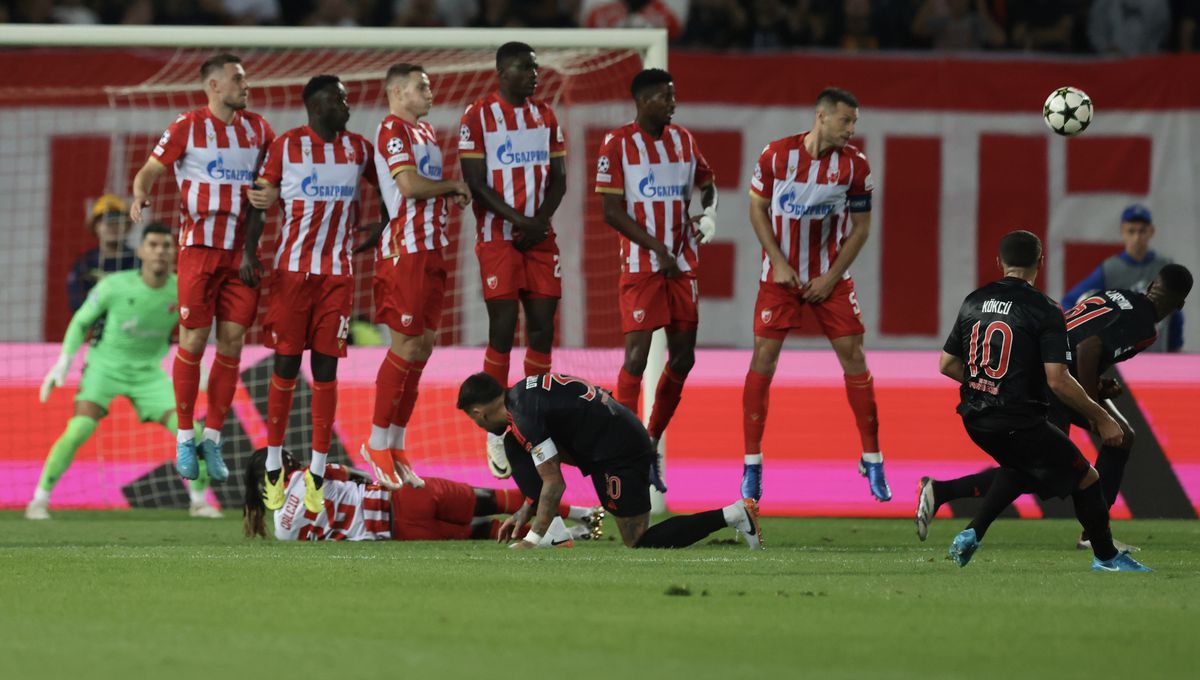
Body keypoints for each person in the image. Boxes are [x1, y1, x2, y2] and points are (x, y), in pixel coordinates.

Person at [916, 264, 1192, 549]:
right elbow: (1089, 349)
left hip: (1044, 368)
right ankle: (1093, 535)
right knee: (1052, 466)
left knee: (1055, 465)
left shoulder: (1119, 295)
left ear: (1150, 286)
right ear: (1180, 304)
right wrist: (1092, 405)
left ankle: (944, 492)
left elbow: (1081, 337)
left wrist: (1096, 385)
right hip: (1055, 380)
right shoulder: (1145, 326)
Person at [937, 230, 1151, 571]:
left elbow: (947, 364)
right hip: (1017, 419)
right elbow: (1058, 380)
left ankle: (971, 532)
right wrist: (1102, 417)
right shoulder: (1045, 309)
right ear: (1040, 261)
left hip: (975, 420)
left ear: (999, 262)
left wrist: (988, 384)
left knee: (1021, 470)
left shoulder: (973, 301)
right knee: (1087, 477)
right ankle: (1107, 558)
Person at [130, 53, 275, 484]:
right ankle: (183, 435)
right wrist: (139, 195)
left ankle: (212, 438)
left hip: (243, 254)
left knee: (232, 344)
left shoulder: (259, 130)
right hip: (199, 250)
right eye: (237, 79)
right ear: (213, 86)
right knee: (193, 340)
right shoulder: (186, 126)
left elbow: (270, 184)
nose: (245, 86)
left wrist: (271, 196)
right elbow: (149, 171)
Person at [741, 87, 889, 504]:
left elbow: (861, 228)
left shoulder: (855, 166)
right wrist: (779, 261)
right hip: (779, 279)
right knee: (763, 362)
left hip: (830, 280)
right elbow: (756, 209)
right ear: (821, 117)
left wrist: (830, 277)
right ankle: (752, 465)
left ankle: (872, 458)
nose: (852, 129)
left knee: (854, 357)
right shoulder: (775, 156)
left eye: (855, 122)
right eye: (846, 120)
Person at [240, 74, 376, 516]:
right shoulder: (286, 146)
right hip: (291, 274)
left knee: (325, 369)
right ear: (318, 105)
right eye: (341, 99)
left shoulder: (358, 148)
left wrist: (385, 224)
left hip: (337, 277)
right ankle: (275, 463)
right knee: (284, 365)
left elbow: (394, 185)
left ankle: (318, 469)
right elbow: (260, 201)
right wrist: (249, 252)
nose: (348, 106)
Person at [29, 224, 221, 520]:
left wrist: (203, 367)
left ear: (174, 252)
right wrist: (63, 363)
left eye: (166, 246)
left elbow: (191, 332)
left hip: (149, 374)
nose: (160, 251)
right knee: (79, 429)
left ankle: (199, 502)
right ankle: (39, 500)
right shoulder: (113, 285)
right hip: (105, 368)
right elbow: (81, 322)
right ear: (142, 251)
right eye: (153, 245)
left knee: (191, 432)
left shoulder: (181, 289)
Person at [456, 372, 764, 550]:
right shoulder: (522, 396)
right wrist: (526, 509)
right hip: (612, 438)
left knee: (638, 539)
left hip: (619, 451)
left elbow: (554, 482)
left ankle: (734, 514)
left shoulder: (523, 416)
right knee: (514, 444)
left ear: (478, 413)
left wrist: (532, 539)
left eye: (474, 420)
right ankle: (552, 530)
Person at [595, 68, 717, 493]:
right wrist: (657, 248)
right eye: (666, 96)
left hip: (682, 265)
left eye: (673, 95)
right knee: (636, 358)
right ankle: (626, 448)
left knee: (683, 359)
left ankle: (650, 440)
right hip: (642, 266)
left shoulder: (684, 139)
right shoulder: (617, 144)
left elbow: (708, 181)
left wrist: (710, 213)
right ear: (643, 100)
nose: (672, 103)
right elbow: (611, 212)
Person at [358, 63, 471, 490]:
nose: (430, 92)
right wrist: (451, 187)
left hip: (430, 249)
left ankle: (397, 444)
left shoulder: (424, 134)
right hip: (404, 252)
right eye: (422, 87)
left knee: (422, 348)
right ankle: (375, 442)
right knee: (405, 346)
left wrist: (447, 193)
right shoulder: (391, 130)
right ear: (397, 92)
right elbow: (407, 186)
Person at [458, 42, 567, 480]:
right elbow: (475, 183)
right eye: (526, 68)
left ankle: (533, 411)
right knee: (502, 329)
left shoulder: (545, 115)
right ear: (503, 71)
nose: (534, 75)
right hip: (498, 238)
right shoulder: (477, 116)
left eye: (536, 68)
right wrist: (518, 220)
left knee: (542, 329)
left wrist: (538, 221)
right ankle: (495, 426)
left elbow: (559, 179)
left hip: (539, 237)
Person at [242, 448, 604, 543]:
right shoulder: (311, 475)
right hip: (400, 498)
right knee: (491, 499)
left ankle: (569, 535)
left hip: (393, 532)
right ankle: (583, 512)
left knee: (480, 531)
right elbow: (358, 475)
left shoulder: (282, 529)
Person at [1063, 204, 1183, 353]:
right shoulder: (1110, 270)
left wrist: (1175, 348)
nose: (1137, 237)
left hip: (1158, 355)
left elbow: (1175, 312)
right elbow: (1071, 302)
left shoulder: (1164, 267)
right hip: (1123, 356)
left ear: (1151, 232)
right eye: (1131, 231)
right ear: (1122, 232)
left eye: (1142, 231)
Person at [66, 193, 138, 312]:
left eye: (117, 220)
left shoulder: (138, 260)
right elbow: (75, 303)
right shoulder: (84, 263)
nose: (112, 226)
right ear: (95, 227)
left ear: (127, 226)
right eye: (105, 221)